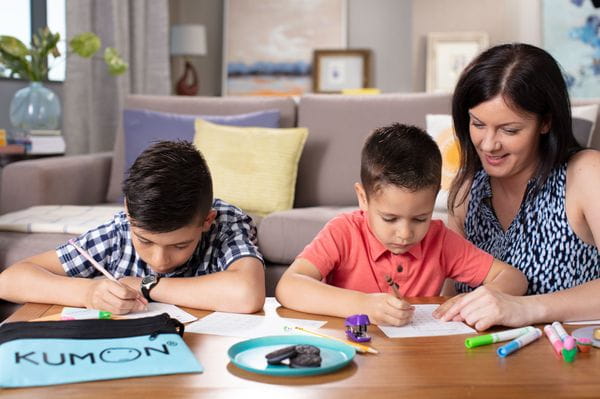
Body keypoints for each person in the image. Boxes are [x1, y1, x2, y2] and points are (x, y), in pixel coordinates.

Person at [275, 123, 527, 327]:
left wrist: (472, 301)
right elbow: (289, 286)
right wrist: (362, 305)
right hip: (351, 356)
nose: (405, 234)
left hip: (414, 359)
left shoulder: (439, 240)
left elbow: (513, 279)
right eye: (390, 218)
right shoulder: (343, 232)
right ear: (363, 198)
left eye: (420, 218)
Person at [434, 43, 600, 330]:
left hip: (568, 363)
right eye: (478, 124)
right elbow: (449, 298)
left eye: (509, 130)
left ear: (545, 122)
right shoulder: (467, 189)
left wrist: (525, 307)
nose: (488, 144)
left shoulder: (585, 173)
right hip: (478, 362)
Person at [0, 141, 265, 314]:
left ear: (207, 221)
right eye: (146, 242)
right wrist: (88, 291)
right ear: (128, 212)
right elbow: (9, 280)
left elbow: (247, 294)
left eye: (180, 245)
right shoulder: (119, 232)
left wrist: (144, 285)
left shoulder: (226, 223)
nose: (160, 260)